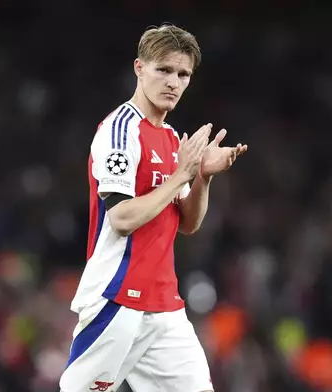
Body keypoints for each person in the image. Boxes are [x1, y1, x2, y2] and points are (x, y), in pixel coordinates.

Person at [59, 23, 247, 392]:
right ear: (139, 68)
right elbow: (122, 218)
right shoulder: (119, 131)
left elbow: (188, 223)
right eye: (164, 70)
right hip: (117, 296)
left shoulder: (174, 139)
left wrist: (203, 177)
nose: (173, 82)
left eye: (183, 74)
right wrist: (180, 176)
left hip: (164, 306)